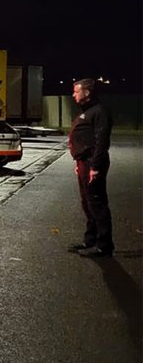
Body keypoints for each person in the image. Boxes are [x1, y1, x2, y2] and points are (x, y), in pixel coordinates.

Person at [67, 78, 114, 258]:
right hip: (83, 162)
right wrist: (78, 162)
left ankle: (104, 245)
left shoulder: (99, 112)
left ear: (87, 93)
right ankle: (90, 240)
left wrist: (95, 166)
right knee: (87, 203)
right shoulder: (87, 111)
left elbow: (101, 141)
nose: (73, 95)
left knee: (97, 203)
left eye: (76, 91)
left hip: (93, 162)